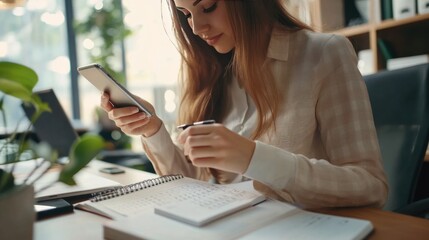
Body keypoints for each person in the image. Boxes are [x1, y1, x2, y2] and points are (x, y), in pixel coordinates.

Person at [100, 0, 388, 209]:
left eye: (208, 7)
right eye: (186, 14)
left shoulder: (323, 54)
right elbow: (193, 180)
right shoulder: (208, 71)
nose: (197, 27)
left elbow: (370, 185)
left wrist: (254, 158)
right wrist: (153, 130)